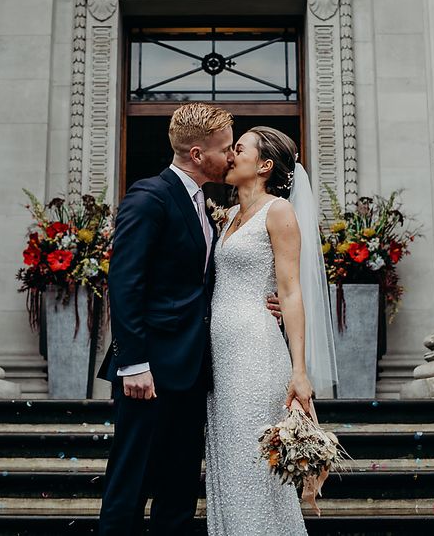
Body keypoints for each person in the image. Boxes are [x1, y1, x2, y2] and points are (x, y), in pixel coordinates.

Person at [97, 102, 234, 536]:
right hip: (150, 369)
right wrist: (133, 363)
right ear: (197, 154)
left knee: (178, 487)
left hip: (191, 368)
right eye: (225, 149)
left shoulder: (203, 203)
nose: (231, 157)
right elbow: (125, 284)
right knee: (131, 482)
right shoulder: (149, 195)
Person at [205, 126, 338, 535]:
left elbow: (292, 290)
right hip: (221, 359)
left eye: (238, 149)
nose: (229, 155)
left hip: (255, 352)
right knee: (228, 462)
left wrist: (300, 371)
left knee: (254, 466)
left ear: (264, 165)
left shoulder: (278, 211)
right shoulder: (226, 216)